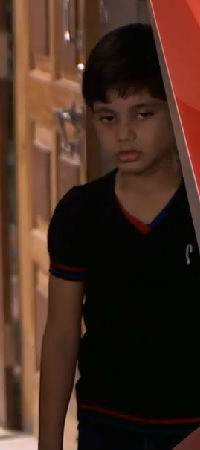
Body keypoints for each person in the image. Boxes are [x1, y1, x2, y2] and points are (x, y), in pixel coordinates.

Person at [38, 23, 200, 450]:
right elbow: (61, 337)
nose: (124, 133)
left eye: (143, 114)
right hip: (106, 426)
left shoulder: (196, 208)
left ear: (175, 109)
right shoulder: (80, 213)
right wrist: (48, 443)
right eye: (108, 117)